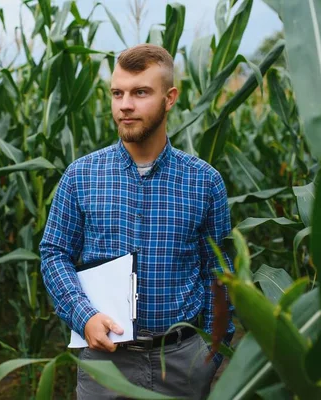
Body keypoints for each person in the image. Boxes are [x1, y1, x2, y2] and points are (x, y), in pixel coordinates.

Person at [39, 43, 235, 400]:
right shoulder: (81, 176)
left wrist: (211, 354)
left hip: (182, 363)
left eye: (140, 92)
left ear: (170, 97)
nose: (125, 105)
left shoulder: (204, 182)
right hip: (105, 363)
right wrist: (83, 316)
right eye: (117, 93)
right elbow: (54, 253)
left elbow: (219, 274)